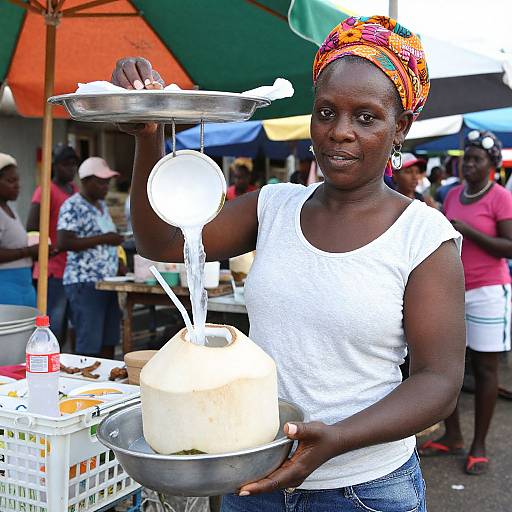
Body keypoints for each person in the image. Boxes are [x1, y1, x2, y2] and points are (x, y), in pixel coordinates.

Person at [113, 16, 465, 511]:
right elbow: (165, 242)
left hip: (363, 489)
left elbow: (439, 382)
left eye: (365, 117)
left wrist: (336, 440)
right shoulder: (273, 207)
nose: (339, 133)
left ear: (400, 127)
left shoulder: (423, 237)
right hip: (254, 474)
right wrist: (147, 133)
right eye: (326, 112)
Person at [421, 130, 512, 475]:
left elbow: (509, 247)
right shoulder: (453, 194)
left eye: (476, 159)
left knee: (486, 370)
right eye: (466, 158)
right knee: (449, 368)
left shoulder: (501, 197)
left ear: (491, 165)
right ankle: (453, 436)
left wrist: (467, 230)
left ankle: (479, 445)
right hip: (453, 291)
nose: (468, 164)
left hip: (489, 291)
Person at [57, 157, 123, 358]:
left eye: (107, 182)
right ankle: (87, 382)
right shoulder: (72, 206)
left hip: (108, 282)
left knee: (109, 337)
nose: (105, 186)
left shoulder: (101, 206)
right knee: (89, 340)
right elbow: (64, 241)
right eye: (100, 182)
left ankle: (108, 381)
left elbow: (107, 239)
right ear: (85, 181)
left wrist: (118, 261)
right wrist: (105, 238)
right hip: (85, 283)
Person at [26, 145, 79, 343]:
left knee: (68, 324)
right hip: (52, 268)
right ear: (55, 166)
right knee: (53, 324)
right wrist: (44, 250)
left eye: (74, 164)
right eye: (66, 164)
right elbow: (32, 226)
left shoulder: (74, 190)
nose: (71, 169)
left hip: (71, 268)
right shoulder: (45, 190)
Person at [0, 153, 39, 306]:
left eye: (17, 180)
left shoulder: (9, 209)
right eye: (11, 181)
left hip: (24, 283)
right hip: (6, 286)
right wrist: (29, 251)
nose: (17, 185)